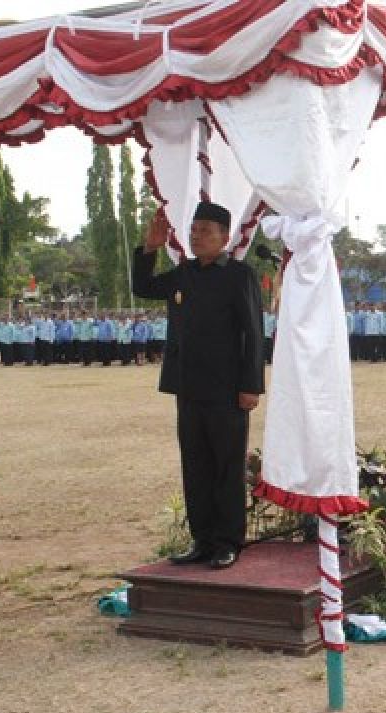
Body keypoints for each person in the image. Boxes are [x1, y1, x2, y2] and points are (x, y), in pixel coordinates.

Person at [132, 202, 264, 568]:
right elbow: (142, 286)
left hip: (227, 389)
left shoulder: (239, 275)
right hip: (188, 386)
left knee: (226, 465)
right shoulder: (183, 274)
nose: (197, 236)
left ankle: (228, 541)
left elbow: (253, 333)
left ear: (225, 237)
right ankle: (202, 540)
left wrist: (251, 384)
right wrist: (150, 249)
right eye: (193, 229)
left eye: (205, 230)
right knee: (196, 464)